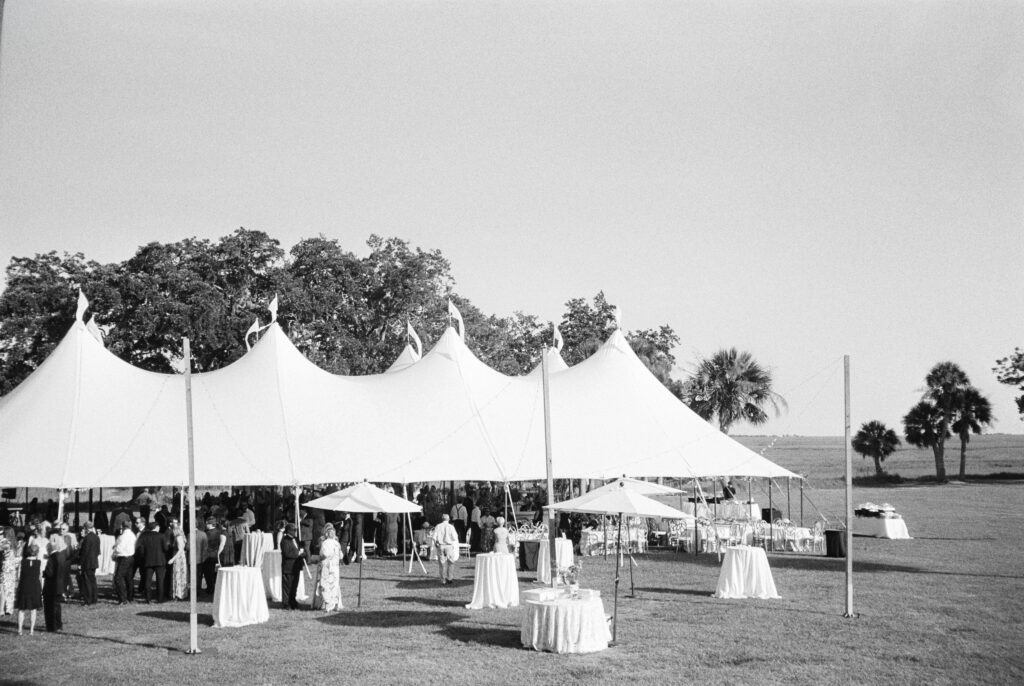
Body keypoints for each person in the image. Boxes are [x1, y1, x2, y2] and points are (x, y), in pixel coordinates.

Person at [137, 521, 168, 603]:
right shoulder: (161, 536)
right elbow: (165, 548)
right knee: (160, 581)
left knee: (148, 580)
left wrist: (143, 556)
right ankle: (160, 599)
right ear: (156, 527)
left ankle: (148, 598)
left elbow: (140, 549)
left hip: (148, 560)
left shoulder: (144, 536)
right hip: (160, 560)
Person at [312, 525, 342, 611]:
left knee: (325, 584)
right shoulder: (337, 543)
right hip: (335, 568)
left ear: (327, 534)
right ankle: (335, 603)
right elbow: (341, 556)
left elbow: (323, 554)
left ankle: (326, 603)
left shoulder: (325, 543)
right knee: (334, 584)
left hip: (327, 567)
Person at [16, 544, 42, 635]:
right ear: (37, 552)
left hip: (24, 586)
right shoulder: (39, 562)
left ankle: (19, 630)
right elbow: (40, 577)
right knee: (33, 609)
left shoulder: (22, 562)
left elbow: (18, 576)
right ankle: (31, 630)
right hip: (35, 587)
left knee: (21, 609)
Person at [279, 523, 305, 609]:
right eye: (294, 530)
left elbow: (299, 549)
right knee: (287, 587)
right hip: (288, 567)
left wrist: (302, 553)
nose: (295, 532)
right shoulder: (284, 540)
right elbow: (287, 553)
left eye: (296, 530)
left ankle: (293, 601)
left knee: (294, 586)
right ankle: (286, 603)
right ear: (289, 531)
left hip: (296, 566)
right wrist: (298, 553)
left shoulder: (296, 539)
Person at [42, 536, 65, 632]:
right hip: (60, 585)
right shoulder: (62, 556)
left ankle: (52, 626)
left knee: (50, 607)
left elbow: (49, 573)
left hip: (51, 586)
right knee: (57, 606)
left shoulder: (52, 558)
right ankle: (59, 624)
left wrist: (43, 572)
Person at [112, 521, 137, 605]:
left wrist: (115, 549)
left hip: (124, 557)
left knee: (118, 578)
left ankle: (122, 599)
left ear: (122, 526)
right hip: (131, 557)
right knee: (129, 578)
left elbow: (119, 548)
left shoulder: (122, 536)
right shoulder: (133, 535)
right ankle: (130, 597)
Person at [76, 521, 100, 605]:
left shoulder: (87, 538)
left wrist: (80, 564)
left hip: (87, 563)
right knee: (93, 581)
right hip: (94, 562)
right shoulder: (96, 537)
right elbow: (98, 551)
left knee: (87, 582)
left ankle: (88, 600)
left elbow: (84, 552)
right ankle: (94, 599)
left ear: (86, 528)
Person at [431, 514, 459, 586]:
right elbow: (455, 537)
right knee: (451, 562)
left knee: (442, 563)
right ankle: (449, 578)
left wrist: (436, 544)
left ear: (442, 519)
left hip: (441, 546)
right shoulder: (451, 527)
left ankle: (443, 580)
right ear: (448, 519)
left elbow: (434, 537)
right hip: (449, 546)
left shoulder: (438, 526)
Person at [0, 526, 21, 615]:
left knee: (3, 590)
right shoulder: (15, 544)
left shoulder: (6, 543)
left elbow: (4, 553)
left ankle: (1, 609)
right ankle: (9, 609)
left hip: (5, 568)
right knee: (10, 590)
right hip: (12, 569)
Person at [202, 518, 225, 595]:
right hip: (217, 554)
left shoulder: (206, 533)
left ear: (210, 524)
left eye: (207, 524)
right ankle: (216, 587)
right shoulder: (219, 532)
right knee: (215, 573)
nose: (206, 525)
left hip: (208, 555)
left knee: (208, 573)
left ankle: (210, 589)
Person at [169, 523, 188, 600]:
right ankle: (180, 593)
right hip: (181, 557)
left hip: (178, 558)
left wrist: (172, 559)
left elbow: (180, 550)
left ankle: (178, 594)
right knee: (180, 575)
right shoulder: (181, 537)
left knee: (178, 575)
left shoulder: (178, 537)